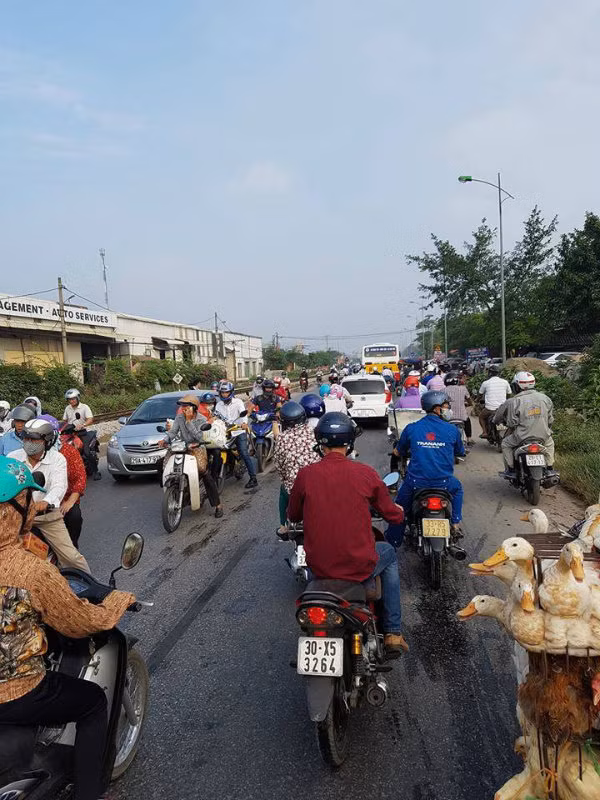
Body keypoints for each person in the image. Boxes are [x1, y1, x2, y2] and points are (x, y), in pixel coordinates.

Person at [0, 455, 134, 800]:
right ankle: (90, 791)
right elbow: (79, 623)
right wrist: (115, 604)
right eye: (28, 500)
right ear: (18, 508)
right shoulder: (30, 570)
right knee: (91, 703)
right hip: (15, 692)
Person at [287, 413, 408, 654]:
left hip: (319, 568)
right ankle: (393, 632)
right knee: (389, 553)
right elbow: (392, 515)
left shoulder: (306, 475)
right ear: (350, 443)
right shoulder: (365, 474)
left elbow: (293, 515)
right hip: (359, 567)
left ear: (320, 442)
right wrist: (399, 512)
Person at [388, 390, 465, 546]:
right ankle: (455, 523)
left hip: (416, 482)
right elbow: (460, 452)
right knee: (458, 489)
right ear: (437, 408)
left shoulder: (412, 428)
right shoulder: (452, 430)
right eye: (446, 405)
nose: (448, 408)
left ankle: (392, 544)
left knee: (399, 510)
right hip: (444, 482)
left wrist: (398, 450)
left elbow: (398, 451)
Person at [12, 418, 90, 572]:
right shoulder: (14, 458)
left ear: (46, 441)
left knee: (71, 557)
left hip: (47, 517)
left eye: (33, 440)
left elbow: (59, 486)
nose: (28, 443)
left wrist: (45, 502)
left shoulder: (57, 459)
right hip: (18, 517)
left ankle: (94, 591)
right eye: (26, 438)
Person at [159, 394, 223, 518]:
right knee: (162, 465)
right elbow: (173, 432)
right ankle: (173, 493)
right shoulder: (179, 418)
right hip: (182, 447)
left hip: (197, 448)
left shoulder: (201, 419)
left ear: (194, 407)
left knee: (204, 473)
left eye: (187, 407)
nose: (184, 409)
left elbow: (199, 437)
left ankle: (217, 505)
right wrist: (165, 440)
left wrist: (189, 422)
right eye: (183, 407)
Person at [493, 371, 555, 477]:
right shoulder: (545, 398)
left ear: (517, 386)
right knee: (550, 444)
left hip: (521, 437)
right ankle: (549, 468)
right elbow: (550, 420)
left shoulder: (514, 401)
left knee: (505, 444)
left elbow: (512, 423)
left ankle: (511, 470)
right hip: (543, 437)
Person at [273, 401, 320, 534]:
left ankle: (283, 526)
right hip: (318, 484)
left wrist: (285, 478)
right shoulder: (314, 432)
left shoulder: (282, 438)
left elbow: (279, 465)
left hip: (294, 488)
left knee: (283, 490)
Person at [215, 381, 258, 489]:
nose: (224, 394)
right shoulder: (218, 405)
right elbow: (216, 417)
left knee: (243, 452)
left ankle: (253, 478)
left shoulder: (238, 402)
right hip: (225, 432)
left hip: (238, 431)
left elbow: (243, 415)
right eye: (222, 393)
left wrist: (244, 423)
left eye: (227, 392)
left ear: (231, 392)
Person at [56, 420, 88, 547]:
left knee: (74, 517)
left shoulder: (68, 451)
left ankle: (73, 548)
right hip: (39, 503)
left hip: (66, 498)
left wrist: (70, 501)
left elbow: (80, 477)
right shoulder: (21, 455)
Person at [477, 365, 512, 439]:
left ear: (489, 373)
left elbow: (480, 394)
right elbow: (509, 394)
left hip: (490, 409)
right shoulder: (505, 382)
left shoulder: (485, 383)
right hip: (503, 408)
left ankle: (485, 432)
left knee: (481, 417)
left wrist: (477, 400)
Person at [444, 371, 474, 446]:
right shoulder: (463, 389)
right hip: (462, 417)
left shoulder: (443, 390)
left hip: (448, 417)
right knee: (467, 421)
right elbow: (469, 401)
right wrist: (469, 404)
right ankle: (469, 438)